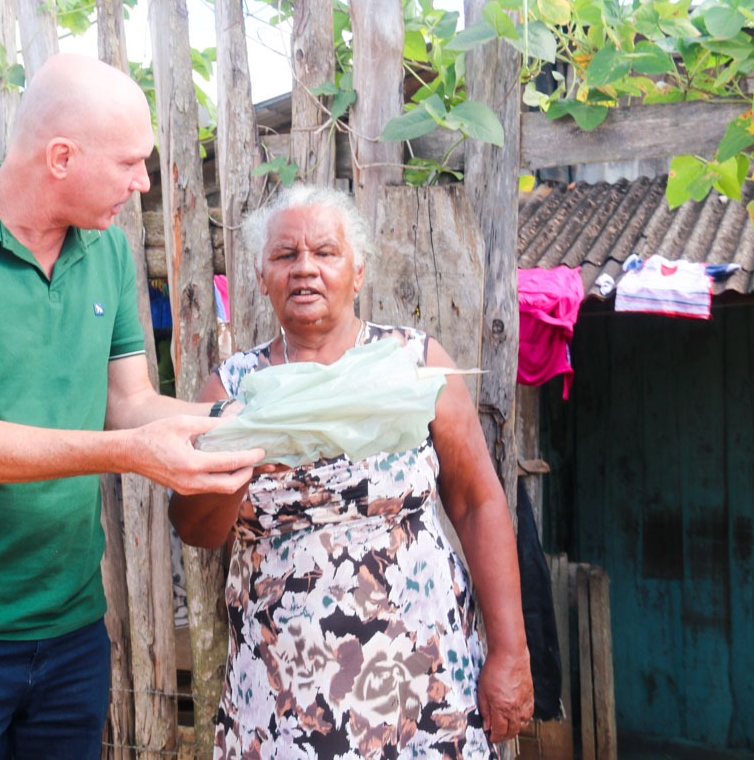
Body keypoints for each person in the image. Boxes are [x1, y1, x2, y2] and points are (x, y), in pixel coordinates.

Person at [0, 52, 264, 759]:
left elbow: (128, 401)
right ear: (60, 158)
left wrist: (234, 427)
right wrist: (126, 455)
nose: (143, 183)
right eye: (129, 164)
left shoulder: (106, 250)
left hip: (70, 621)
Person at [169, 184, 534, 758]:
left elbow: (476, 502)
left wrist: (511, 651)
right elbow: (195, 528)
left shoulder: (413, 365)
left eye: (326, 252)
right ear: (262, 278)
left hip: (421, 669)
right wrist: (246, 443)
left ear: (358, 272)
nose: (305, 269)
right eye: (285, 256)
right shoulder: (235, 388)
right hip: (285, 684)